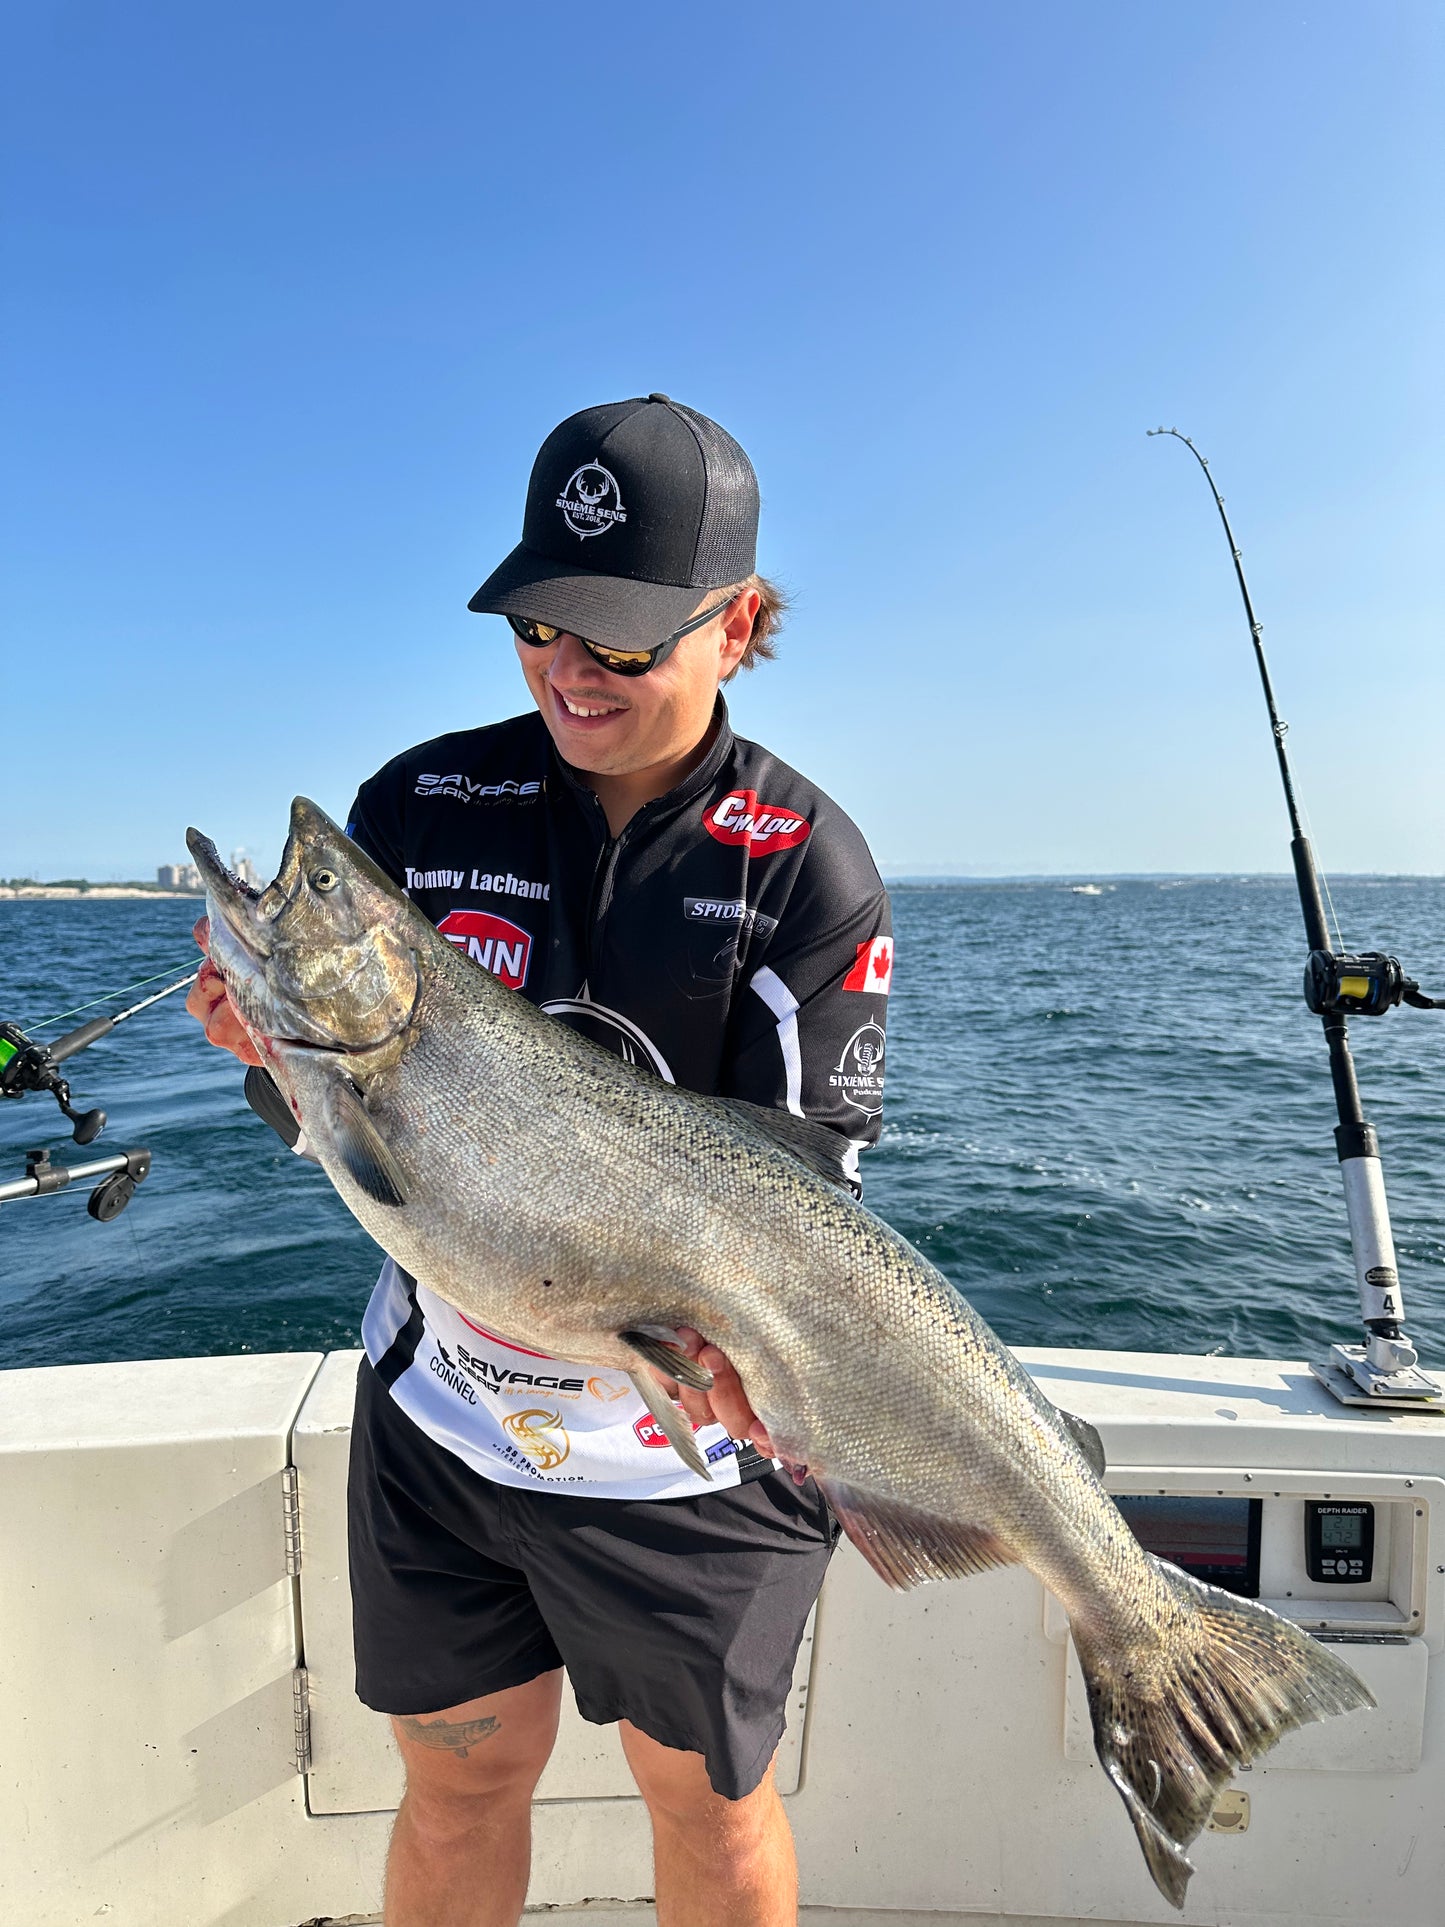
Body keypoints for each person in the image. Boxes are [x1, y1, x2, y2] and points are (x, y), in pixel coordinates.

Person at [188, 394, 894, 1927]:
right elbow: (360, 1144)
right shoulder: (418, 807)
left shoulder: (805, 861)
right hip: (444, 1424)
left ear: (738, 621)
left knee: (705, 1817)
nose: (567, 671)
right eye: (536, 626)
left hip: (686, 1455)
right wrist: (278, 1062)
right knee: (453, 1789)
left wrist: (737, 1349)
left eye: (621, 641)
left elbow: (812, 1173)